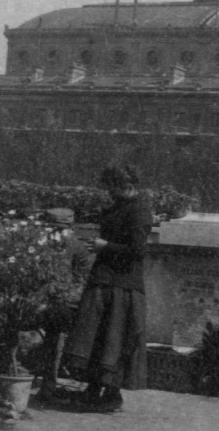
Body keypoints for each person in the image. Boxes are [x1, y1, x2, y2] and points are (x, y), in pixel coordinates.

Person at [63, 164, 152, 413]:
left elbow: (138, 251)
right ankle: (93, 390)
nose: (109, 192)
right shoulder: (118, 207)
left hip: (123, 285)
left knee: (115, 339)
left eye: (113, 187)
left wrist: (105, 246)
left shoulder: (140, 211)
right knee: (95, 336)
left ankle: (112, 394)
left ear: (128, 186)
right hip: (104, 280)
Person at [35, 208, 92, 403]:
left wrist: (59, 296)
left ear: (70, 228)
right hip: (37, 301)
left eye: (61, 228)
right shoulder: (38, 246)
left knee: (55, 324)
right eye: (52, 228)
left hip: (63, 304)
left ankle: (48, 386)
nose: (56, 233)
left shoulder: (78, 249)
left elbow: (81, 282)